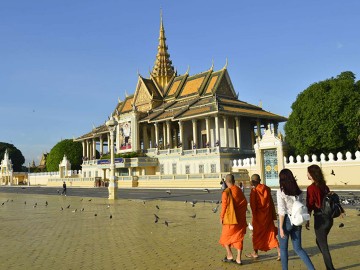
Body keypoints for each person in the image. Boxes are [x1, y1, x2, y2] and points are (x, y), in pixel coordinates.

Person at [277, 169, 314, 270]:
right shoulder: (298, 191)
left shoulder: (280, 192)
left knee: (284, 250)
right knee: (298, 248)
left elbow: (281, 211)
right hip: (297, 221)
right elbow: (301, 206)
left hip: (286, 221)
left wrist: (280, 227)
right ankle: (312, 269)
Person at [306, 164, 335, 270]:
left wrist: (307, 220)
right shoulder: (324, 186)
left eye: (308, 172)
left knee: (323, 246)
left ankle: (330, 268)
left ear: (312, 174)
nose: (307, 174)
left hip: (320, 219)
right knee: (319, 242)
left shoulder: (311, 188)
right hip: (329, 219)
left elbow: (309, 205)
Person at [246, 174, 280, 260]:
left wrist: (254, 215)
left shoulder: (254, 192)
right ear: (260, 180)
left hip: (258, 217)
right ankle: (279, 252)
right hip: (267, 216)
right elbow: (271, 203)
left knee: (256, 235)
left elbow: (253, 207)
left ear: (252, 181)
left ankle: (255, 253)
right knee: (271, 234)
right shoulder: (267, 189)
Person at [219, 174, 248, 265]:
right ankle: (238, 259)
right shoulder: (238, 190)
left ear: (226, 182)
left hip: (230, 220)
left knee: (225, 237)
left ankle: (230, 255)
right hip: (240, 219)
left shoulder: (226, 192)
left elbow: (224, 207)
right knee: (239, 238)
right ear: (234, 181)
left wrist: (221, 217)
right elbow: (244, 203)